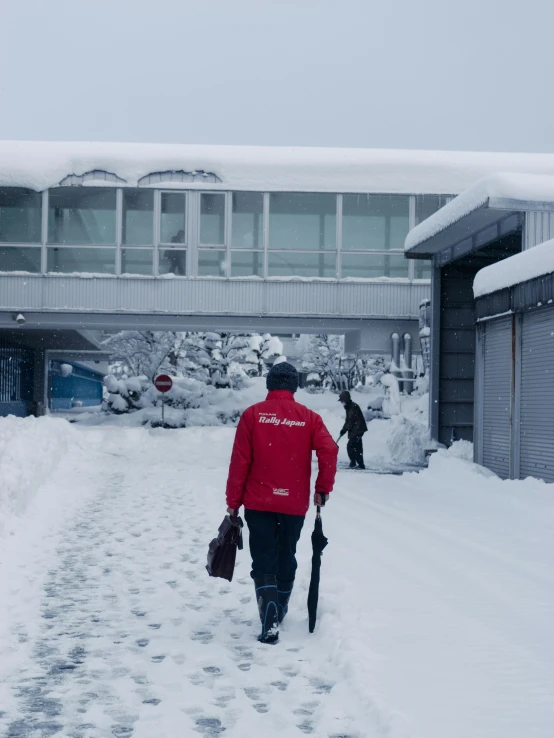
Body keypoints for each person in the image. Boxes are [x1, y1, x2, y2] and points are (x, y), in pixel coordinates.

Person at [225, 361, 338, 644]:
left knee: (263, 556)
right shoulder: (308, 418)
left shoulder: (253, 415)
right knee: (287, 553)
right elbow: (330, 450)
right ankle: (281, 605)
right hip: (294, 502)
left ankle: (269, 611)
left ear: (270, 384)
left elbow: (240, 462)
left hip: (258, 502)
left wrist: (233, 501)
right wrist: (322, 488)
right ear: (294, 386)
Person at [338, 390, 368, 469]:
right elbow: (348, 421)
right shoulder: (350, 407)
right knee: (357, 447)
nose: (341, 403)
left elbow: (350, 422)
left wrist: (344, 430)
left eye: (342, 401)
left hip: (357, 430)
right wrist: (343, 430)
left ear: (346, 400)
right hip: (357, 429)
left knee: (350, 446)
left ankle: (353, 462)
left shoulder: (352, 408)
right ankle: (361, 464)